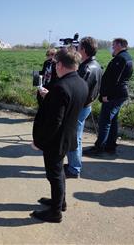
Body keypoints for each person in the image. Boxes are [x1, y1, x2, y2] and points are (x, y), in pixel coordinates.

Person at [31, 48, 88, 223]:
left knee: (54, 175)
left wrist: (39, 142)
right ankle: (60, 202)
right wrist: (52, 97)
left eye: (56, 64)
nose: (54, 67)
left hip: (56, 140)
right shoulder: (81, 83)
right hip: (67, 136)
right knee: (58, 173)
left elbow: (54, 122)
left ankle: (55, 212)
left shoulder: (61, 87)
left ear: (61, 65)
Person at [84, 38, 133, 155]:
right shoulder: (126, 57)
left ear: (120, 45)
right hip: (119, 94)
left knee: (104, 121)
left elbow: (114, 80)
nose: (112, 47)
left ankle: (99, 148)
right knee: (112, 120)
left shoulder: (121, 58)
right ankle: (110, 146)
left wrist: (106, 95)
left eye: (113, 45)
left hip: (114, 95)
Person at [64, 37, 102, 178]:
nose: (76, 49)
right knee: (76, 137)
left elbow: (77, 90)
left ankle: (74, 169)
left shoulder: (86, 68)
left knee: (74, 138)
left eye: (78, 47)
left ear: (83, 50)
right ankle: (74, 164)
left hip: (79, 107)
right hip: (87, 106)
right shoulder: (96, 64)